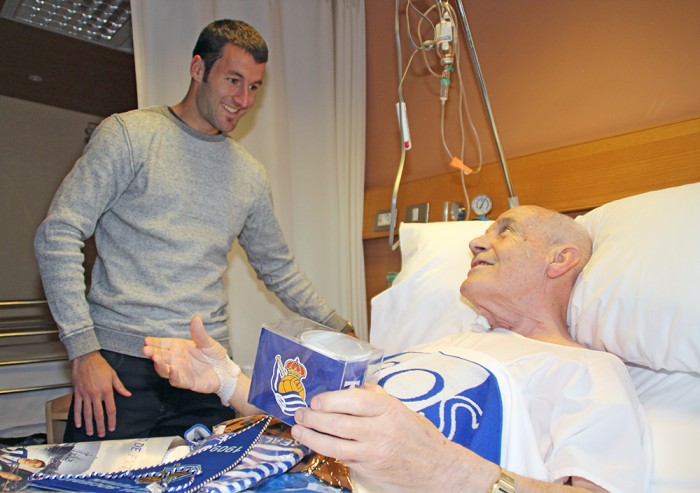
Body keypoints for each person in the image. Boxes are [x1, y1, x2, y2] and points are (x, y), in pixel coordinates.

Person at [144, 206, 650, 493]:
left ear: (560, 260)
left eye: (506, 231)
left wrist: (444, 467)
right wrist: (226, 378)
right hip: (238, 464)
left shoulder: (588, 370)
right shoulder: (433, 347)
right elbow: (310, 415)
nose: (476, 242)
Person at [34, 19, 352, 442]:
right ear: (198, 69)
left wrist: (342, 328)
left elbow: (279, 269)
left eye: (255, 87)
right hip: (121, 368)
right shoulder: (129, 136)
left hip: (205, 370)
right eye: (233, 80)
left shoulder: (249, 175)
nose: (243, 99)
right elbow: (57, 234)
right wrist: (83, 351)